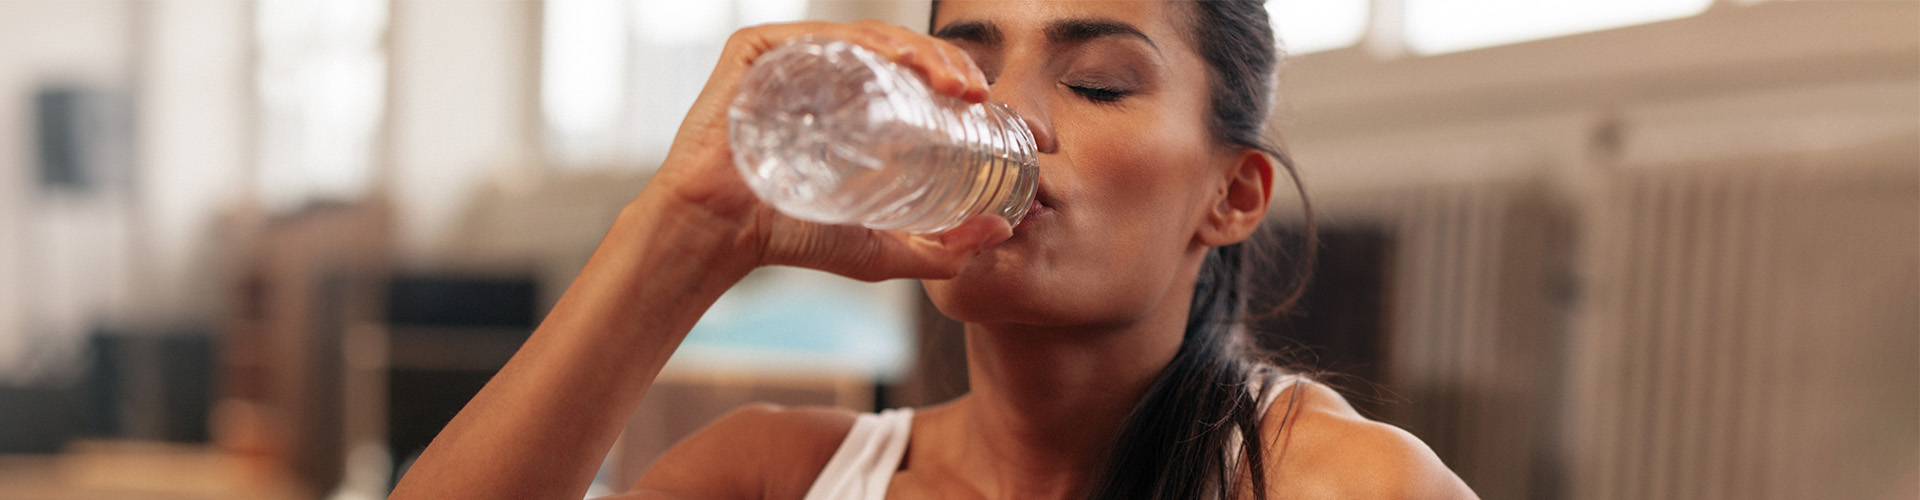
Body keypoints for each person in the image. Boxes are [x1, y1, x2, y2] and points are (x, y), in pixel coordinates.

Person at [388, 1, 1478, 499]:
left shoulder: (1340, 483)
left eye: (1096, 81)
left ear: (1232, 194)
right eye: (967, 64)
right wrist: (688, 226)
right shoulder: (776, 471)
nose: (1012, 118)